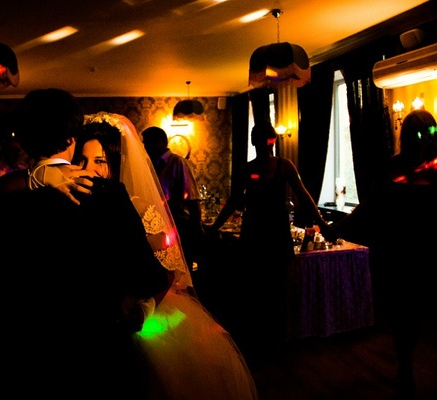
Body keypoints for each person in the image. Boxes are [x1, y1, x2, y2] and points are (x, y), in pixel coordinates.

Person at [0, 89, 171, 398]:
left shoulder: (4, 198)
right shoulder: (108, 195)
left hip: (25, 355)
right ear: (72, 140)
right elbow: (147, 278)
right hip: (96, 355)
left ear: (24, 142)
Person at [77, 112, 259, 400]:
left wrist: (145, 307)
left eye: (100, 161)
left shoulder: (137, 206)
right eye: (81, 160)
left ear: (115, 161)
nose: (89, 170)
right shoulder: (74, 203)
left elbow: (169, 271)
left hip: (141, 316)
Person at [329, 109, 437, 399]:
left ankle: (406, 361)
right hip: (400, 252)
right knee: (403, 313)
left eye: (423, 135)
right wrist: (338, 228)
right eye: (414, 135)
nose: (419, 140)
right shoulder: (395, 169)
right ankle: (405, 363)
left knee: (411, 313)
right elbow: (368, 208)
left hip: (425, 253)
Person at [207, 122, 331, 363]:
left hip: (270, 235)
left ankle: (268, 341)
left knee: (271, 289)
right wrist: (214, 227)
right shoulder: (259, 168)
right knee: (262, 289)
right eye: (266, 140)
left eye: (270, 141)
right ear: (256, 142)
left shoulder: (279, 166)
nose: (268, 145)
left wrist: (322, 223)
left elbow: (304, 196)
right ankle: (266, 340)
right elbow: (234, 201)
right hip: (260, 235)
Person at [141, 126, 205, 278]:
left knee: (182, 270)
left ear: (162, 142)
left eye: (149, 142)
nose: (146, 146)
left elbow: (192, 198)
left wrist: (197, 228)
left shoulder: (178, 163)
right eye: (145, 142)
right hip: (157, 228)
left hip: (179, 226)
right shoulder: (149, 165)